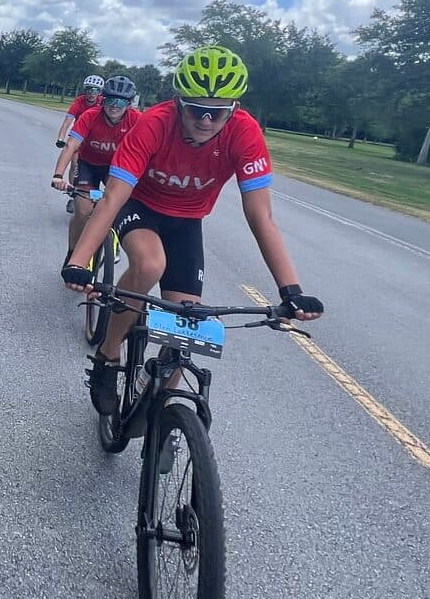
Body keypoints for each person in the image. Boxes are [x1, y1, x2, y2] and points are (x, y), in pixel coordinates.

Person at [61, 46, 324, 416]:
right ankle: (107, 356)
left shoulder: (244, 133)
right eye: (195, 109)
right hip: (141, 206)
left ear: (232, 109)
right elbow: (113, 199)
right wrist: (79, 261)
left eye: (216, 112)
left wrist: (291, 290)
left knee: (185, 334)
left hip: (186, 221)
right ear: (178, 102)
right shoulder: (153, 123)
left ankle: (159, 415)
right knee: (150, 265)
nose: (205, 120)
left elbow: (261, 215)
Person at [51, 75, 139, 264]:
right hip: (88, 165)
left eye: (120, 102)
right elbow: (71, 145)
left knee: (117, 205)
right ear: (102, 100)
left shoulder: (137, 120)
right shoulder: (90, 116)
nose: (114, 106)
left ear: (129, 104)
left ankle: (113, 242)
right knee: (82, 211)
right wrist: (58, 175)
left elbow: (149, 151)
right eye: (109, 100)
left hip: (116, 169)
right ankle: (73, 252)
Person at [57, 74, 108, 212]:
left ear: (100, 92)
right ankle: (75, 194)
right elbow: (67, 121)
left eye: (96, 90)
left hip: (96, 138)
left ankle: (100, 197)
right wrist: (60, 139)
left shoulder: (104, 103)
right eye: (89, 90)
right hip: (80, 136)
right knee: (75, 162)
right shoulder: (79, 102)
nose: (92, 93)